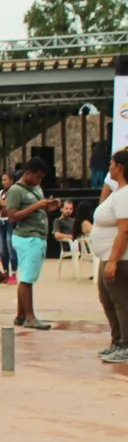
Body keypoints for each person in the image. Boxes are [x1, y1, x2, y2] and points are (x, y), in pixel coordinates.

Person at [5, 156, 59, 330]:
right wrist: (37, 206)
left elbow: (37, 210)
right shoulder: (15, 190)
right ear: (28, 173)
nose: (39, 180)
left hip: (37, 236)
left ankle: (21, 315)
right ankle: (30, 317)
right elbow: (12, 216)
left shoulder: (36, 188)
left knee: (28, 277)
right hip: (27, 237)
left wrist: (47, 207)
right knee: (27, 279)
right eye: (37, 177)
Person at [91, 148, 128, 363]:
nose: (109, 168)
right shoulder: (117, 192)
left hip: (119, 259)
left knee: (121, 301)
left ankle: (126, 344)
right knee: (107, 299)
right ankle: (117, 340)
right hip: (107, 256)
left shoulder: (125, 195)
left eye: (111, 164)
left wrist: (113, 260)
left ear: (120, 167)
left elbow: (124, 230)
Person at [0, 172, 19, 284]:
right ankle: (5, 271)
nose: (3, 182)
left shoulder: (14, 192)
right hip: (1, 222)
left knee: (11, 247)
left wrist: (0, 202)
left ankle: (14, 273)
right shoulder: (0, 193)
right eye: (2, 180)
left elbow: (9, 205)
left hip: (10, 222)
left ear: (11, 181)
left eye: (6, 180)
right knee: (2, 249)